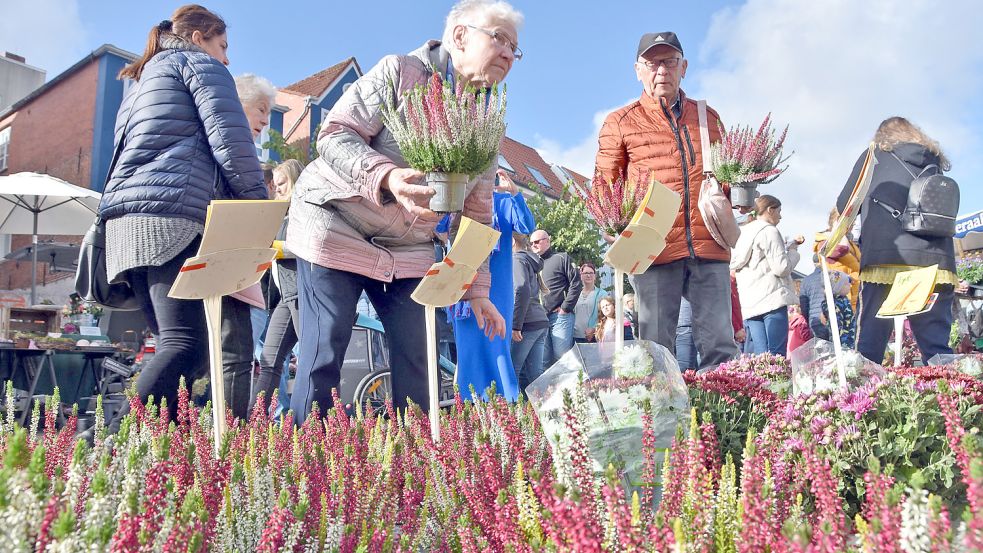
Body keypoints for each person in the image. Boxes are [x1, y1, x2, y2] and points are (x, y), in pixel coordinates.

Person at [285, 0, 519, 424]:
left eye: (515, 49)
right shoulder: (401, 72)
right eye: (499, 38)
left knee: (420, 358)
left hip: (408, 247)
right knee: (324, 350)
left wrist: (477, 288)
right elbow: (335, 134)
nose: (508, 53)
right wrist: (387, 177)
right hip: (336, 222)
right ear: (461, 35)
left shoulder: (487, 118)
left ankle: (410, 471)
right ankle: (305, 468)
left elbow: (478, 212)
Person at [97, 4, 267, 428]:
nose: (227, 58)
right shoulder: (200, 67)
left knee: (184, 348)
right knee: (186, 345)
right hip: (171, 219)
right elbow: (232, 144)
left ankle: (162, 454)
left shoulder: (142, 81)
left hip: (125, 225)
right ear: (198, 38)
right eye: (222, 45)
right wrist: (259, 211)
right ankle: (109, 442)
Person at [594, 31, 737, 369]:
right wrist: (613, 228)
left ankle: (724, 417)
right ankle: (663, 419)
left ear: (683, 67)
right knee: (655, 352)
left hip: (708, 246)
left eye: (669, 62)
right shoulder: (620, 122)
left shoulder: (709, 118)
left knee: (720, 347)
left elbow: (728, 175)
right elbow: (604, 187)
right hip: (653, 250)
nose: (661, 70)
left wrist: (736, 192)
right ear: (638, 70)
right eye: (652, 63)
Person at [839, 117, 958, 363]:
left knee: (869, 349)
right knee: (937, 349)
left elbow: (845, 205)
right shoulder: (933, 161)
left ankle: (864, 400)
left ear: (882, 136)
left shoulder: (874, 155)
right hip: (937, 263)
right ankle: (954, 398)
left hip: (887, 261)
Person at [218, 72, 277, 420]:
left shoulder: (242, 149)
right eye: (260, 109)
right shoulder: (230, 147)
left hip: (240, 267)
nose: (266, 120)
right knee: (234, 355)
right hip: (229, 265)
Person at [451, 169, 535, 401]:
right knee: (468, 351)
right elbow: (438, 228)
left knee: (497, 345)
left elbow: (527, 226)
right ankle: (469, 404)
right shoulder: (456, 199)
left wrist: (516, 194)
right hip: (463, 285)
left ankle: (505, 403)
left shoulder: (503, 201)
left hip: (498, 290)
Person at [251, 159, 305, 414]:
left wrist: (272, 248)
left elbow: (304, 246)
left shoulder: (301, 212)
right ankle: (257, 420)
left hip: (303, 294)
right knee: (270, 359)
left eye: (282, 183)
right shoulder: (280, 214)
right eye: (274, 184)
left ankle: (315, 420)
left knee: (310, 360)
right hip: (286, 297)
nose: (276, 188)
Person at [730, 195, 802, 356]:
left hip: (750, 303)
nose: (780, 216)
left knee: (760, 357)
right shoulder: (769, 231)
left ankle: (761, 382)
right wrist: (793, 252)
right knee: (777, 355)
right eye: (779, 211)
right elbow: (781, 268)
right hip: (772, 299)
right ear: (770, 210)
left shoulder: (742, 232)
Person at [530, 229, 582, 366]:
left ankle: (571, 387)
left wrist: (565, 308)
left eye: (536, 242)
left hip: (559, 316)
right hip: (539, 318)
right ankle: (549, 388)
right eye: (531, 243)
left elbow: (576, 284)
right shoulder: (530, 263)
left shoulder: (561, 258)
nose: (533, 245)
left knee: (562, 357)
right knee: (543, 360)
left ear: (547, 241)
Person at [511, 233, 549, 392]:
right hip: (540, 320)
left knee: (513, 371)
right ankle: (543, 411)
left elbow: (521, 288)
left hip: (527, 323)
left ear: (512, 241)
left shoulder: (517, 260)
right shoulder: (528, 260)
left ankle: (513, 412)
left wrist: (515, 325)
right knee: (535, 374)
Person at [814, 207, 861, 309]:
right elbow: (842, 250)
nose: (853, 224)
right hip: (842, 298)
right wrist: (840, 231)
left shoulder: (851, 243)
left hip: (857, 295)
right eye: (850, 220)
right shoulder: (824, 242)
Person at [799, 255, 833, 342]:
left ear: (814, 263)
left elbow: (804, 305)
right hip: (832, 317)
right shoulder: (832, 276)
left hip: (815, 320)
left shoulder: (806, 280)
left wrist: (808, 319)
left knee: (820, 350)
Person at [573, 262, 608, 343]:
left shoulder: (602, 294)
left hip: (594, 336)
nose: (588, 275)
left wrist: (594, 329)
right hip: (574, 336)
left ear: (595, 276)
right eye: (585, 273)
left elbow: (606, 316)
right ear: (581, 275)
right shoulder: (574, 293)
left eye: (591, 273)